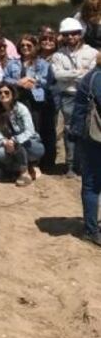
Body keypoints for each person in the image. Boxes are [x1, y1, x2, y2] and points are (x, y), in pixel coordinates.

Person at [51, 17, 99, 178]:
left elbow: (92, 75)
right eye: (66, 34)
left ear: (80, 34)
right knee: (70, 130)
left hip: (88, 97)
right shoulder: (58, 55)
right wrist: (78, 72)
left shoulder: (92, 52)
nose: (70, 37)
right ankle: (71, 164)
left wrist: (71, 75)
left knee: (89, 130)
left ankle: (86, 164)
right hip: (68, 96)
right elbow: (57, 75)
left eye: (74, 34)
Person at [4, 34, 56, 170]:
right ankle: (21, 159)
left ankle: (36, 162)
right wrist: (18, 82)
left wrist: (33, 80)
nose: (25, 48)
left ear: (35, 47)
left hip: (36, 101)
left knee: (35, 130)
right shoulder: (12, 63)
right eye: (22, 45)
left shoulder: (42, 63)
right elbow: (5, 79)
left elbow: (48, 81)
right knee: (18, 129)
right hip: (17, 100)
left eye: (29, 45)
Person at [68, 53, 101, 247]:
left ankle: (91, 227)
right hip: (93, 138)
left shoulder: (92, 76)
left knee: (92, 183)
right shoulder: (97, 77)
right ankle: (90, 230)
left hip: (89, 136)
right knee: (92, 184)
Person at [0, 82, 44, 186]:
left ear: (12, 94)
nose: (3, 95)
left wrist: (14, 140)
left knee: (17, 144)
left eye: (6, 92)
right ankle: (5, 170)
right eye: (0, 93)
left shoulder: (21, 108)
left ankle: (25, 172)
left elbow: (30, 131)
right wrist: (4, 141)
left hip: (31, 145)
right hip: (8, 145)